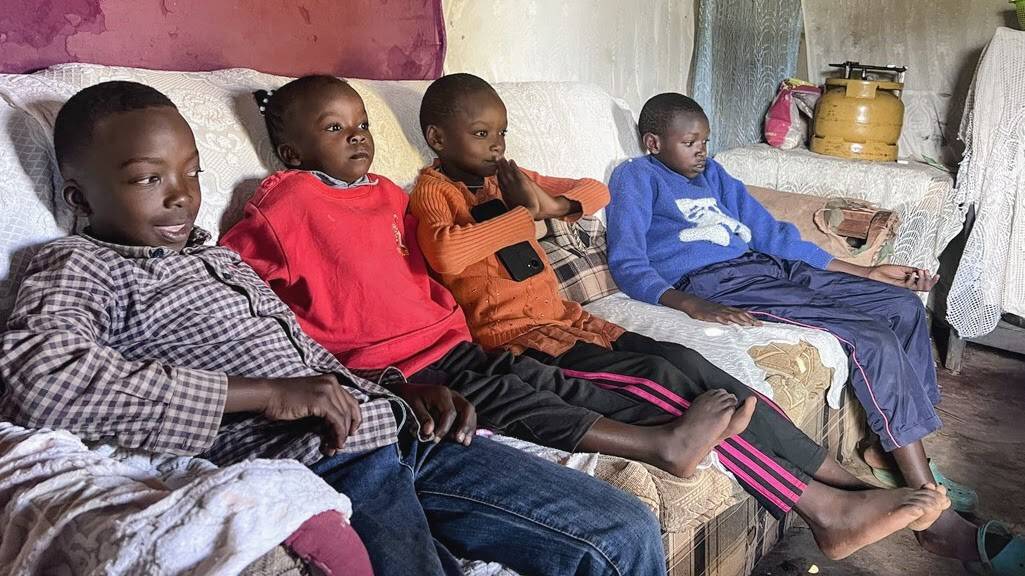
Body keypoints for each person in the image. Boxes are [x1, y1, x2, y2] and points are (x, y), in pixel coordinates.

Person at [0, 80, 668, 576]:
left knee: (623, 530)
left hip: (395, 425)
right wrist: (265, 394)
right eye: (149, 178)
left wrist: (393, 388)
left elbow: (311, 355)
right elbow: (39, 380)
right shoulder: (77, 266)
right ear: (79, 196)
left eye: (191, 171)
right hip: (325, 460)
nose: (182, 194)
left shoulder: (214, 259)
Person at [409, 73, 950, 560]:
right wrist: (526, 212)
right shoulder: (434, 193)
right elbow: (450, 254)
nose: (498, 145)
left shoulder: (509, 176)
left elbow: (591, 192)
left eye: (501, 133)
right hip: (520, 338)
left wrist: (554, 206)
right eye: (483, 135)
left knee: (693, 361)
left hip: (575, 319)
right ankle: (827, 507)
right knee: (674, 388)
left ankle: (851, 490)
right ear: (437, 139)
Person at [605, 91, 1023, 570]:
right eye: (690, 142)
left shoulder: (713, 174)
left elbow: (769, 232)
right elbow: (629, 264)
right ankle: (931, 513)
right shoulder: (638, 178)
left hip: (768, 264)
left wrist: (863, 271)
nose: (702, 150)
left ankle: (892, 455)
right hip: (719, 281)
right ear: (653, 142)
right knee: (868, 335)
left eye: (705, 140)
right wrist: (692, 304)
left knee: (902, 306)